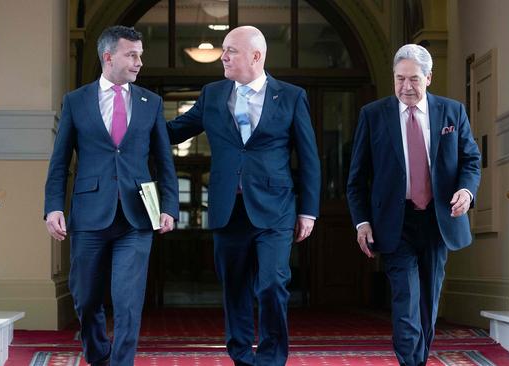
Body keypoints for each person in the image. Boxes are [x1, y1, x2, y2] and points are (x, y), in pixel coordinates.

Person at [166, 26, 320, 366]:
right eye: (223, 50)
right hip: (227, 209)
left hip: (276, 210)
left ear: (256, 56)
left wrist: (308, 211)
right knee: (234, 288)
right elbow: (175, 131)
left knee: (272, 284)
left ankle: (270, 358)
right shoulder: (212, 93)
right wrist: (135, 120)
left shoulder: (291, 96)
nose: (223, 56)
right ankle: (240, 354)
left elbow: (308, 157)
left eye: (230, 50)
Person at [44, 25, 179, 366]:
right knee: (86, 298)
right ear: (108, 57)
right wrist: (53, 208)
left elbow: (165, 161)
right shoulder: (76, 101)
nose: (139, 62)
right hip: (89, 216)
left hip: (137, 218)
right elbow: (60, 161)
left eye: (140, 55)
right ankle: (97, 353)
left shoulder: (151, 102)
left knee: (128, 299)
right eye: (132, 55)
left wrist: (170, 208)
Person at [346, 44, 481, 366]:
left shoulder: (452, 112)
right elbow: (357, 178)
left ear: (429, 78)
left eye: (414, 79)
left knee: (427, 303)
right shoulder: (373, 115)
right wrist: (362, 223)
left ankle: (417, 360)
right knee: (406, 300)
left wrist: (466, 191)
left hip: (438, 220)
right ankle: (411, 362)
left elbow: (471, 161)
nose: (406, 87)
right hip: (395, 221)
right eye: (399, 79)